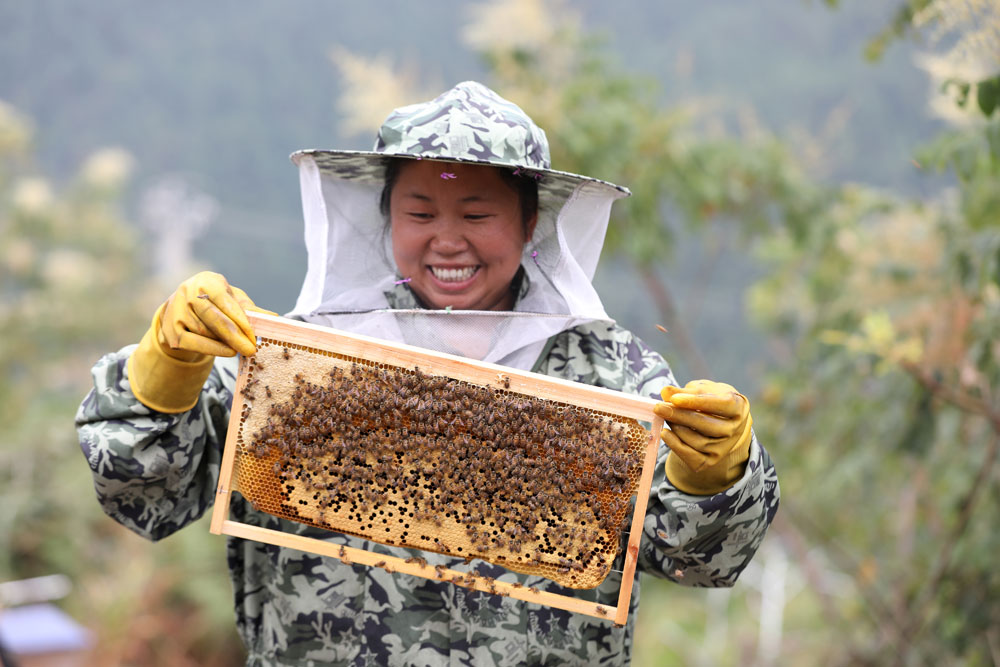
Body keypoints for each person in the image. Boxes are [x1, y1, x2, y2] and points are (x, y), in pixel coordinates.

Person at [76, 81, 779, 666]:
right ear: (386, 218)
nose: (447, 239)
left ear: (529, 223)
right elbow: (148, 496)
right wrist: (167, 369)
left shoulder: (606, 375)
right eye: (420, 211)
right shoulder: (307, 360)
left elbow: (697, 558)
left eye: (477, 212)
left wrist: (715, 475)